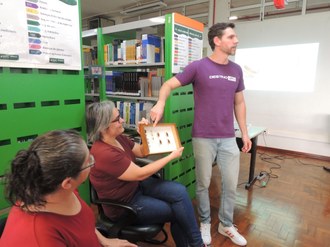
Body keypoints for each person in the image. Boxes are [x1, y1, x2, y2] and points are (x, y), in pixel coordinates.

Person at [150, 22, 252, 246]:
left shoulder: (236, 70)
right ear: (217, 40)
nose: (236, 41)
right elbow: (167, 85)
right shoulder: (198, 67)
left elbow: (240, 103)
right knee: (204, 183)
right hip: (203, 136)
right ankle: (205, 221)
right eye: (231, 37)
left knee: (230, 183)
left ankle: (226, 225)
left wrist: (244, 133)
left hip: (227, 136)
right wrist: (160, 103)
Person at [86, 100, 206, 247]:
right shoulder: (104, 153)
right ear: (103, 127)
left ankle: (197, 244)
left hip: (135, 187)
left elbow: (142, 151)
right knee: (177, 211)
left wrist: (144, 132)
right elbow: (140, 174)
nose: (122, 120)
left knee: (179, 191)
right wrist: (170, 156)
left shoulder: (118, 138)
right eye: (117, 119)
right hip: (124, 205)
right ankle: (197, 245)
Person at [0, 129, 137, 247]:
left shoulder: (57, 189)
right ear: (67, 182)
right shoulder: (41, 239)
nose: (92, 161)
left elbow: (82, 224)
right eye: (88, 160)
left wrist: (104, 241)